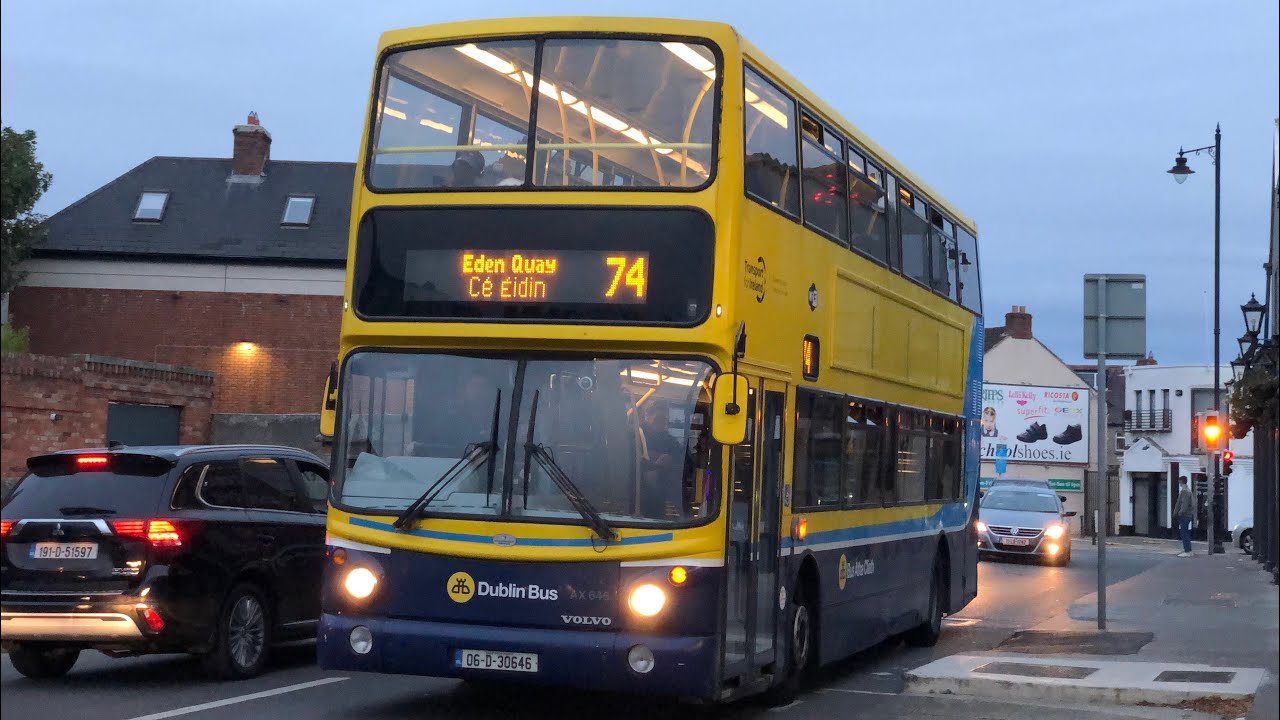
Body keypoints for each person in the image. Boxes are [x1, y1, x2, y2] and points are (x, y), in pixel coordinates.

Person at [1174, 476, 1195, 557]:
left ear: (1181, 481)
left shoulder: (1185, 491)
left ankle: (1187, 551)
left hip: (1184, 516)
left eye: (1179, 482)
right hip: (1187, 515)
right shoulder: (1187, 490)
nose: (1179, 483)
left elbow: (1184, 504)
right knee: (1185, 532)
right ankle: (1188, 550)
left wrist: (1179, 513)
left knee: (1184, 533)